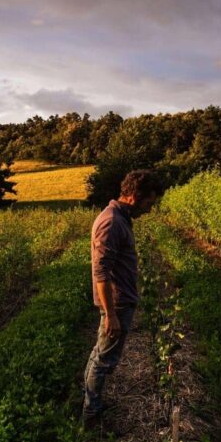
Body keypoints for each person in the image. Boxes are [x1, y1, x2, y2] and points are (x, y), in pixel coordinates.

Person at [82, 169, 163, 428]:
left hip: (120, 302)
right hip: (115, 304)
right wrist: (112, 315)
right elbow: (101, 272)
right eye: (149, 203)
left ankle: (91, 406)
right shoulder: (111, 222)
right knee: (104, 361)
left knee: (100, 356)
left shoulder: (120, 218)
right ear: (134, 196)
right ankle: (91, 418)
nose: (150, 209)